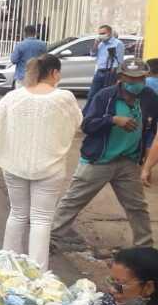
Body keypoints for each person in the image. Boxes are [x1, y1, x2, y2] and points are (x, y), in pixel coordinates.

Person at [0, 54, 82, 271]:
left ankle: (6, 267)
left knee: (17, 214)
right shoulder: (64, 98)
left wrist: (6, 149)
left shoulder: (13, 97)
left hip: (14, 164)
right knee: (41, 220)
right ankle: (38, 273)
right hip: (50, 167)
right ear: (54, 73)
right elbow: (77, 123)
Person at [54, 59, 157, 251]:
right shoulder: (105, 96)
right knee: (74, 200)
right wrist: (113, 120)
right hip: (99, 160)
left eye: (142, 78)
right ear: (121, 78)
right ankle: (54, 234)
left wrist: (147, 164)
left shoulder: (149, 96)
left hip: (128, 161)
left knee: (137, 207)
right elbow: (86, 125)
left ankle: (144, 247)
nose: (138, 82)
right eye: (132, 78)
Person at [89, 24, 129, 100]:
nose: (101, 36)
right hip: (99, 72)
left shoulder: (118, 43)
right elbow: (92, 54)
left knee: (107, 95)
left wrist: (114, 75)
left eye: (103, 33)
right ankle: (88, 111)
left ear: (110, 33)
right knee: (92, 94)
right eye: (100, 34)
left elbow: (119, 61)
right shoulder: (100, 44)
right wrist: (96, 44)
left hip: (110, 72)